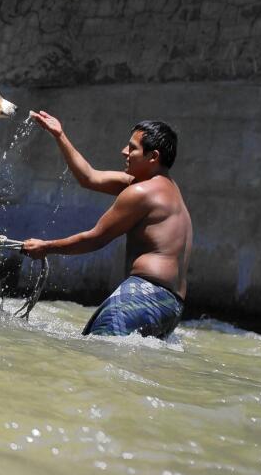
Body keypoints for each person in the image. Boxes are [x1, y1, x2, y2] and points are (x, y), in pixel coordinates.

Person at [22, 114, 193, 338]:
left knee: (94, 352)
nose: (124, 151)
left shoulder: (141, 193)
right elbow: (89, 177)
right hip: (171, 305)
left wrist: (45, 247)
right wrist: (60, 135)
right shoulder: (166, 189)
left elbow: (96, 238)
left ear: (153, 156)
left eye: (132, 148)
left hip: (144, 295)